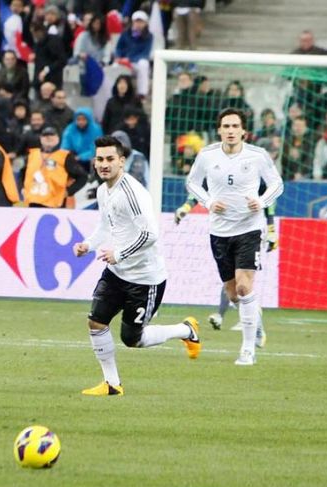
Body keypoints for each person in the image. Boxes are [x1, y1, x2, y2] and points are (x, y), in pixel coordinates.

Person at [73, 136, 201, 396]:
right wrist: (88, 244)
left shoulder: (131, 193)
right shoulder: (103, 190)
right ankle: (112, 384)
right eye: (100, 159)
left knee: (133, 339)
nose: (104, 164)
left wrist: (119, 254)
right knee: (96, 322)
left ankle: (186, 330)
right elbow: (106, 226)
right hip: (116, 274)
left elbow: (150, 234)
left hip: (145, 278)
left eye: (110, 159)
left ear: (122, 161)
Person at [186, 108, 284, 366]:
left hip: (249, 229)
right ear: (219, 130)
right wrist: (208, 201)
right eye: (226, 126)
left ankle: (247, 350)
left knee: (244, 286)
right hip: (219, 231)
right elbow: (192, 183)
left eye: (235, 126)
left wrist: (261, 202)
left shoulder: (257, 155)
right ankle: (257, 321)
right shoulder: (207, 155)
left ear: (243, 131)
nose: (230, 131)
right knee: (233, 294)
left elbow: (277, 184)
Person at [22, 126, 87, 208]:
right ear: (41, 138)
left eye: (52, 135)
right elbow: (23, 173)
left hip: (55, 204)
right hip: (33, 202)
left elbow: (82, 177)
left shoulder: (65, 156)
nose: (48, 137)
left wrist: (68, 192)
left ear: (57, 138)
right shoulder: (32, 154)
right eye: (45, 135)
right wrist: (23, 189)